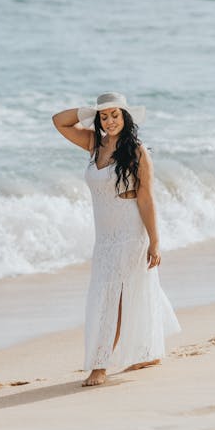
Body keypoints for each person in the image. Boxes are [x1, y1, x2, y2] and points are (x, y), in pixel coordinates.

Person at [52, 91, 181, 387]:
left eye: (116, 115)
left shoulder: (136, 151)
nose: (110, 121)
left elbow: (146, 198)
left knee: (114, 298)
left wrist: (155, 242)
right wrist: (89, 110)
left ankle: (100, 365)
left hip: (130, 232)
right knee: (121, 290)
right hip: (105, 237)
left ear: (126, 117)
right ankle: (146, 350)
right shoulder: (94, 144)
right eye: (105, 116)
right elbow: (59, 122)